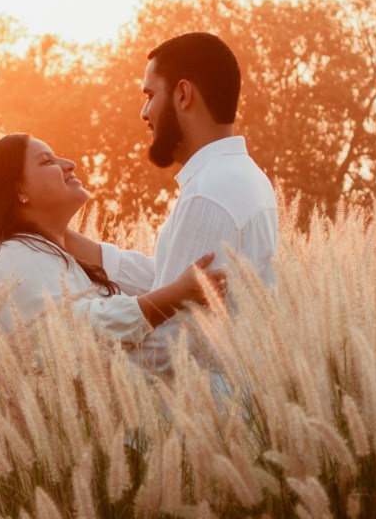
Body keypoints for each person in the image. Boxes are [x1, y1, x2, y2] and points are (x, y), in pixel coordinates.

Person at [60, 32, 278, 367]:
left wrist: (72, 360)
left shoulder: (211, 191)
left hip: (207, 412)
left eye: (149, 95)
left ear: (183, 94)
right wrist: (64, 240)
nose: (144, 112)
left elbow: (171, 342)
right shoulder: (235, 175)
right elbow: (171, 282)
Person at [0, 132, 226, 350]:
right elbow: (83, 329)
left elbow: (160, 277)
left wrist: (57, 233)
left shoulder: (45, 252)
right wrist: (174, 297)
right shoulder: (12, 257)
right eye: (46, 161)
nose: (68, 164)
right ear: (19, 190)